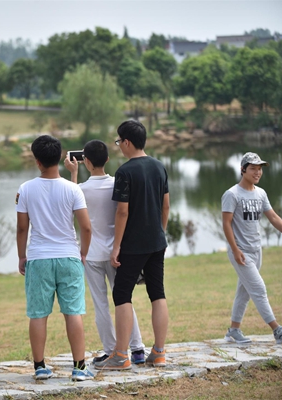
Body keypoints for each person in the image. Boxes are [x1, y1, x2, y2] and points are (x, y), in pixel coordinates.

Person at [15, 134, 94, 381]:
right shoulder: (73, 189)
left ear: (37, 161)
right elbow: (86, 228)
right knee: (73, 312)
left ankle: (39, 366)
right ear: (61, 157)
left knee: (38, 314)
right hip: (68, 257)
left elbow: (21, 229)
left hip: (38, 258)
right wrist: (82, 253)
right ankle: (79, 368)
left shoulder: (26, 189)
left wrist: (21, 256)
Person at [94, 120, 170, 370]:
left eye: (119, 142)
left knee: (122, 294)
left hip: (133, 245)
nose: (119, 147)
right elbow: (165, 205)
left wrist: (116, 246)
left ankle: (121, 355)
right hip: (157, 242)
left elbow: (122, 213)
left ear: (127, 142)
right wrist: (161, 232)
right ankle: (158, 352)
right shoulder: (159, 167)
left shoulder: (125, 172)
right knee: (157, 293)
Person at [64, 140, 146, 367]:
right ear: (108, 159)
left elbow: (72, 205)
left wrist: (73, 173)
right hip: (117, 252)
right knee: (124, 301)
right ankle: (137, 348)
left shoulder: (80, 189)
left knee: (101, 304)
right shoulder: (116, 185)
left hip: (92, 255)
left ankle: (111, 350)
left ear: (85, 161)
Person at [221, 152, 282, 345]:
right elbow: (226, 224)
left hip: (256, 250)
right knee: (259, 289)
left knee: (244, 292)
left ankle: (233, 331)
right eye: (253, 168)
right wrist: (235, 249)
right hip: (241, 251)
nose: (257, 172)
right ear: (243, 170)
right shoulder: (232, 194)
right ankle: (277, 330)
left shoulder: (260, 193)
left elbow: (273, 217)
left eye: (260, 168)